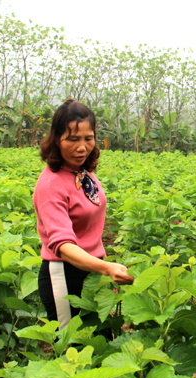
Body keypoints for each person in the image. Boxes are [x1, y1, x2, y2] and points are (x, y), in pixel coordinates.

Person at [34, 98, 133, 329]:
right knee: (72, 350)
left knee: (98, 341)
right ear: (56, 139)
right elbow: (63, 246)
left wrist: (104, 268)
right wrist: (106, 268)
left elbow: (91, 232)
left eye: (88, 138)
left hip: (92, 271)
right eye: (72, 139)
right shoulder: (51, 184)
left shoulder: (82, 172)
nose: (82, 147)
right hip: (64, 275)